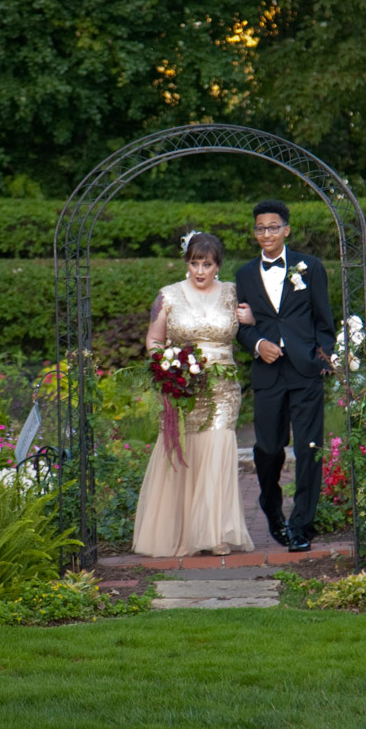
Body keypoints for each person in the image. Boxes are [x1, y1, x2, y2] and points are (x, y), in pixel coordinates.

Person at [130, 231, 255, 558]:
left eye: (208, 264)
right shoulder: (168, 295)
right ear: (187, 263)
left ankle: (215, 533)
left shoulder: (233, 293)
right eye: (195, 263)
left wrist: (252, 320)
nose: (200, 271)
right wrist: (166, 367)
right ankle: (183, 531)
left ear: (218, 266)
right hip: (182, 387)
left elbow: (253, 327)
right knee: (184, 452)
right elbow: (155, 340)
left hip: (223, 388)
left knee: (217, 449)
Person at [234, 200, 335, 553]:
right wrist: (258, 342)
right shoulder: (245, 274)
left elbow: (325, 322)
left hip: (305, 372)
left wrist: (322, 359)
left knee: (309, 450)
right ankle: (271, 506)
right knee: (269, 449)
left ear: (286, 230)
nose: (266, 234)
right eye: (260, 228)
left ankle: (302, 525)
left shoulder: (311, 267)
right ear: (255, 232)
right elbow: (240, 327)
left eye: (273, 227)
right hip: (268, 374)